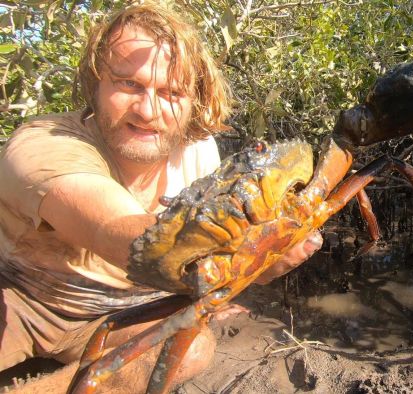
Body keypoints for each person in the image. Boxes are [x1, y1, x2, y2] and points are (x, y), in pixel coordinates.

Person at [0, 3, 322, 390]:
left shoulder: (198, 153)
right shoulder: (43, 145)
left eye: (172, 92)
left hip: (120, 314)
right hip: (21, 300)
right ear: (95, 84)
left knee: (192, 348)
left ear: (194, 103)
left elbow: (203, 256)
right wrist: (240, 255)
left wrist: (235, 279)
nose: (148, 111)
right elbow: (117, 231)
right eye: (128, 84)